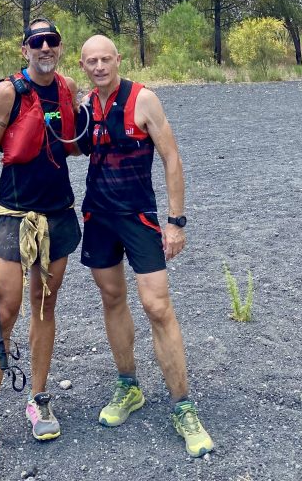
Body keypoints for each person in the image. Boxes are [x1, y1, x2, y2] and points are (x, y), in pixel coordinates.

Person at [77, 34, 214, 459]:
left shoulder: (143, 100)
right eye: (91, 61)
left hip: (138, 217)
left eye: (105, 59)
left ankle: (183, 406)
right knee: (112, 298)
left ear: (118, 59)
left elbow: (172, 157)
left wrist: (176, 222)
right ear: (83, 66)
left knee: (157, 305)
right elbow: (66, 146)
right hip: (98, 217)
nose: (99, 66)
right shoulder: (85, 106)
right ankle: (128, 387)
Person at [0, 19, 82, 476]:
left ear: (59, 48)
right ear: (25, 48)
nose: (46, 48)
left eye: (52, 41)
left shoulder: (67, 89)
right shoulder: (7, 94)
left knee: (45, 306)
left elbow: (75, 142)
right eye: (38, 42)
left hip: (58, 214)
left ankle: (39, 398)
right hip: (13, 218)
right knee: (4, 313)